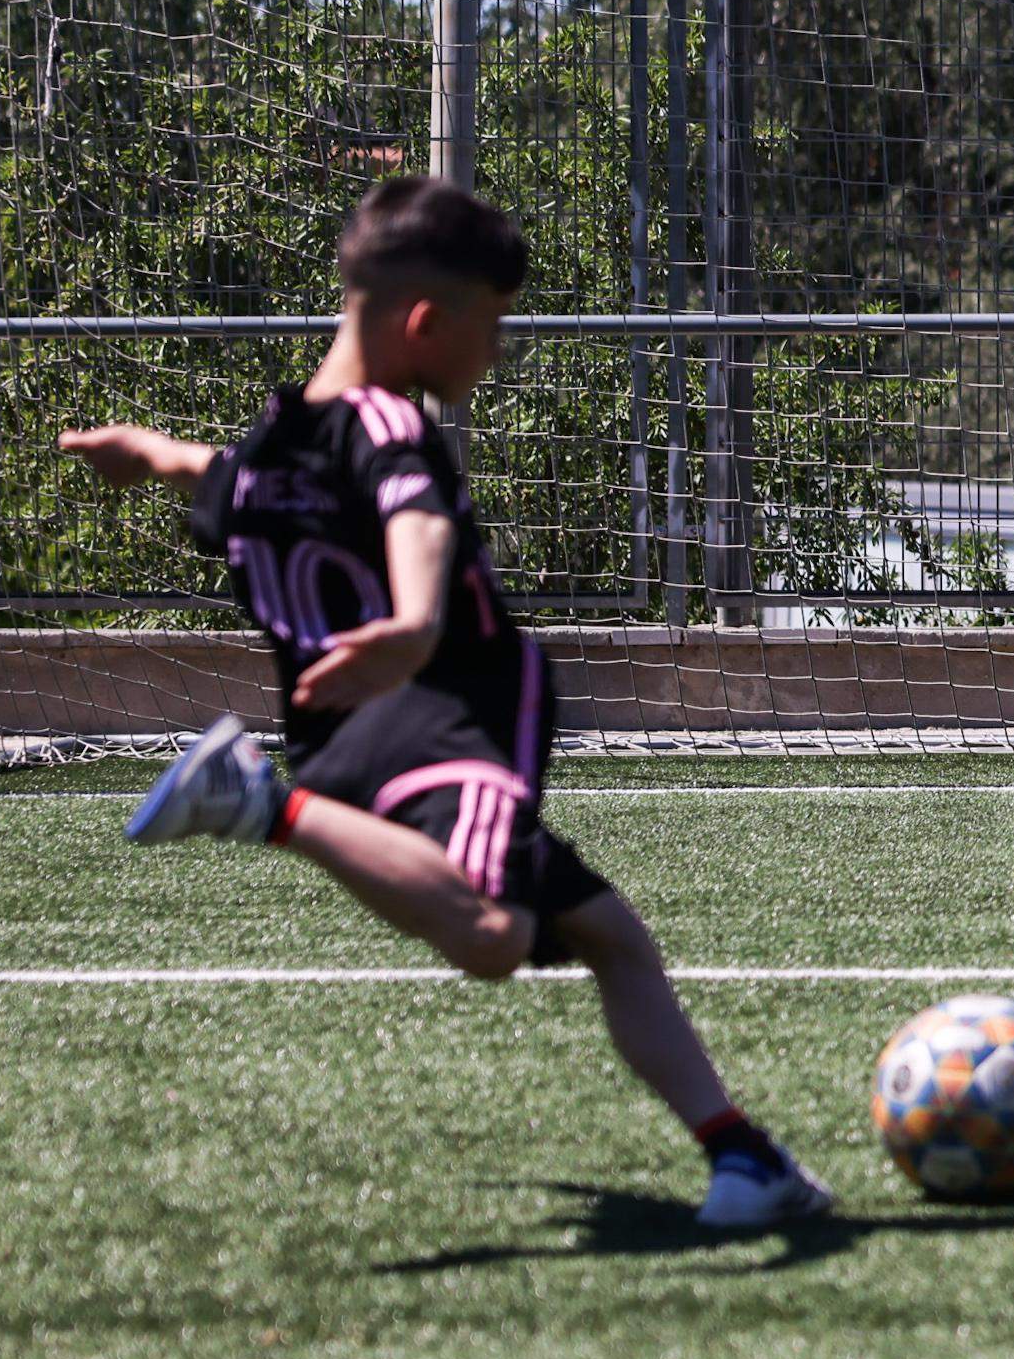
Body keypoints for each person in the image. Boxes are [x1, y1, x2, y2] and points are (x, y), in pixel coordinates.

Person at [57, 175, 834, 1231]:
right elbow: (414, 513)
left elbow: (208, 474)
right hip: (443, 717)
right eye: (493, 324)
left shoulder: (273, 445)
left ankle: (742, 1158)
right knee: (494, 934)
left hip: (345, 738)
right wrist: (418, 623)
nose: (497, 352)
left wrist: (141, 453)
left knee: (611, 936)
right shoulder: (392, 424)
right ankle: (259, 804)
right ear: (426, 321)